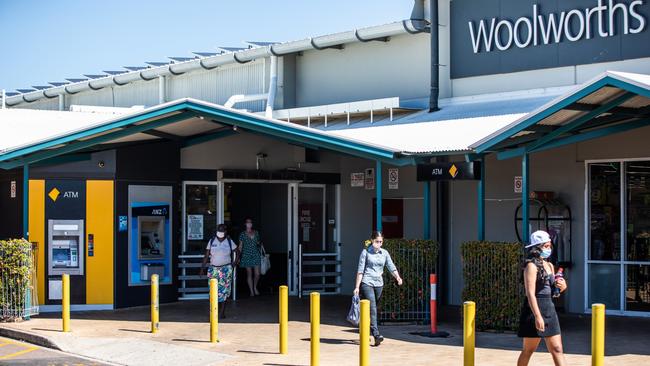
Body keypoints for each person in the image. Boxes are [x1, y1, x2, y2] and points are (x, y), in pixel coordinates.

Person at [517, 230, 568, 366]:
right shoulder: (531, 266)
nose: (549, 249)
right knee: (528, 350)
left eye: (550, 245)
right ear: (537, 248)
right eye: (546, 246)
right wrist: (538, 316)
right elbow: (530, 293)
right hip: (534, 310)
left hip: (549, 309)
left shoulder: (549, 265)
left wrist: (562, 286)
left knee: (557, 349)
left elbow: (553, 291)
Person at [353, 231, 403, 346]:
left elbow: (391, 266)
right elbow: (360, 271)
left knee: (373, 310)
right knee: (373, 308)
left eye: (381, 242)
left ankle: (364, 331)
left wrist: (398, 277)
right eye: (377, 242)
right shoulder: (365, 252)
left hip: (379, 284)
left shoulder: (384, 253)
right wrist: (357, 287)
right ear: (372, 241)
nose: (379, 244)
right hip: (367, 282)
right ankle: (376, 334)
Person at [200, 224, 240, 318]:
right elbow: (206, 256)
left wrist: (234, 263)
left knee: (224, 292)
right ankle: (214, 311)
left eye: (222, 230)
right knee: (213, 291)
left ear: (226, 231)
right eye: (219, 230)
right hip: (213, 269)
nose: (220, 232)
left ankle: (222, 312)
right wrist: (202, 268)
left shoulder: (229, 241)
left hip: (225, 269)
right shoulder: (212, 241)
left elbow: (238, 252)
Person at [238, 218, 262, 297]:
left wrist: (259, 243)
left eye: (250, 222)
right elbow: (240, 246)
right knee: (249, 273)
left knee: (257, 274)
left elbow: (258, 242)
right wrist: (238, 257)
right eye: (248, 222)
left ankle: (255, 287)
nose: (249, 224)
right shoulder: (242, 234)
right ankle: (251, 291)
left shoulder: (256, 232)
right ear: (245, 224)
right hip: (246, 255)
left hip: (256, 254)